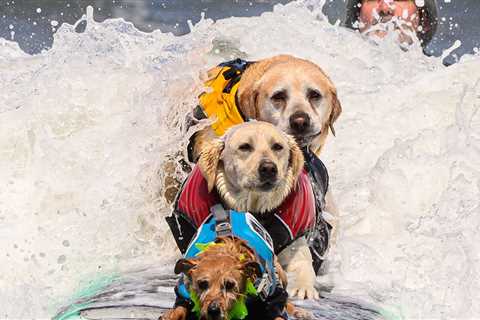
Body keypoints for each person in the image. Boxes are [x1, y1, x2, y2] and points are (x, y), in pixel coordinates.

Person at [345, 0, 438, 49]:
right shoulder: (334, 77)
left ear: (424, 21)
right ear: (358, 17)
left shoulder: (446, 81)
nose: (385, 9)